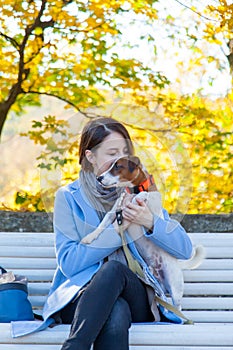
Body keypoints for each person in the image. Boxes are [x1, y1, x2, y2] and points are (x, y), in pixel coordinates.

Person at [44, 117, 193, 350]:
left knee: (114, 272)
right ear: (90, 157)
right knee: (116, 310)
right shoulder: (68, 197)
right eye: (111, 152)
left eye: (124, 150)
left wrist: (150, 222)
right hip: (81, 298)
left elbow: (185, 249)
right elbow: (69, 264)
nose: (120, 157)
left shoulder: (139, 193)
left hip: (137, 296)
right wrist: (117, 231)